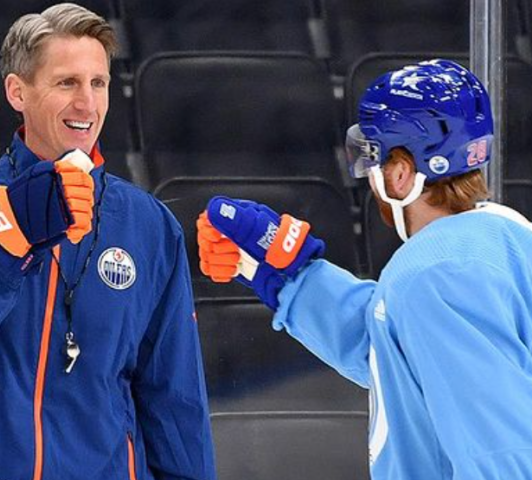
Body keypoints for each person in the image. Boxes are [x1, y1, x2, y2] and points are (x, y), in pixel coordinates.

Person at [0, 4, 216, 480]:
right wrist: (9, 246)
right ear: (17, 91)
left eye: (98, 83)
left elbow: (174, 397)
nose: (87, 104)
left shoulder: (149, 224)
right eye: (66, 83)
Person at [197, 59, 532, 479]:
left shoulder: (434, 276)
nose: (367, 174)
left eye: (370, 157)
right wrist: (288, 277)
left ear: (400, 173)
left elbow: (502, 456)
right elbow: (397, 356)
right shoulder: (505, 233)